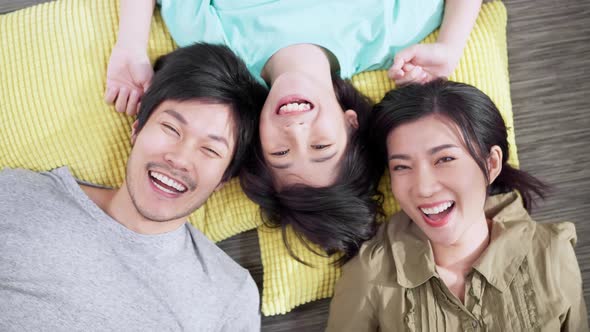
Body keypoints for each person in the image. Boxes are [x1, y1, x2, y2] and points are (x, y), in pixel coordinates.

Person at [104, 0, 482, 264]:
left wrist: (132, 45)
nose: (296, 130)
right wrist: (451, 45)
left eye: (281, 154)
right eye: (321, 145)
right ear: (352, 122)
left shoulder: (214, 40)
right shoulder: (390, 35)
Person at [0, 43, 267, 331]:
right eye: (171, 129)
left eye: (210, 150)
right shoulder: (17, 197)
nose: (179, 159)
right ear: (137, 128)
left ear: (224, 178)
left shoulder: (229, 295)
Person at [326, 80, 589, 331]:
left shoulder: (552, 253)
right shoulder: (369, 272)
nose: (424, 188)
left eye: (445, 159)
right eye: (402, 166)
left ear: (491, 164)